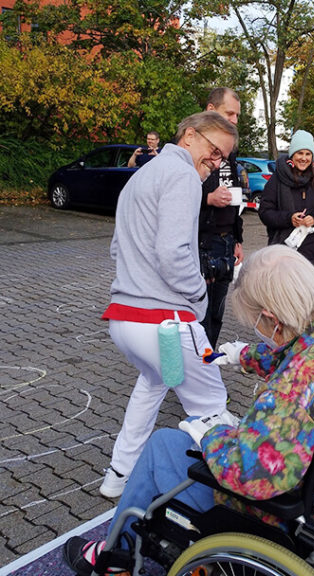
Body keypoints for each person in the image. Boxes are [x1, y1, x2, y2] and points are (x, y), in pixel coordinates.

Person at [62, 245, 314, 576]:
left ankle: (116, 556)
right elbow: (296, 354)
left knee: (162, 446)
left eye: (255, 319)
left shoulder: (297, 382)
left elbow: (253, 475)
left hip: (273, 510)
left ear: (270, 317)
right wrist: (244, 355)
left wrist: (212, 434)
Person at [96, 111, 237, 500]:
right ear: (189, 136)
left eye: (223, 157)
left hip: (126, 321)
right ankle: (226, 498)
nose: (216, 161)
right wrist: (198, 296)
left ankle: (118, 475)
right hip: (166, 324)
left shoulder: (142, 175)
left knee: (153, 384)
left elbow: (116, 248)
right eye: (214, 150)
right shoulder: (182, 176)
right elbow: (173, 253)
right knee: (213, 405)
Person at [198, 87, 245, 347]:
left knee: (216, 314)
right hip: (202, 243)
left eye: (237, 115)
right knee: (199, 315)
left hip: (227, 244)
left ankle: (206, 364)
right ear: (210, 110)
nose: (235, 120)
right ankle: (198, 374)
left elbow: (235, 200)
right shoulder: (193, 148)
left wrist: (238, 239)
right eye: (230, 113)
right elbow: (177, 197)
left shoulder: (231, 152)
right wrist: (207, 199)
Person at [258, 130, 314, 268]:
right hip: (281, 253)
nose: (304, 158)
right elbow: (265, 212)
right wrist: (288, 218)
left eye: (308, 154)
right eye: (300, 153)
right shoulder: (277, 179)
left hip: (310, 254)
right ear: (292, 154)